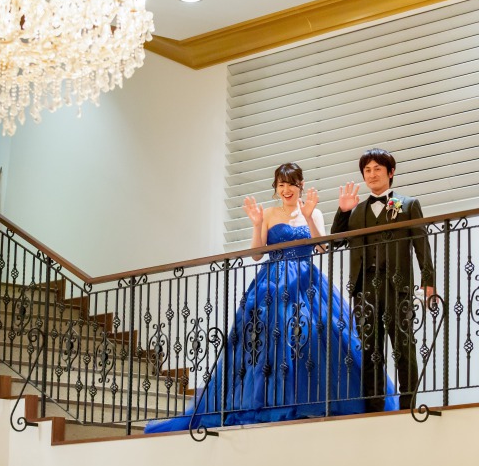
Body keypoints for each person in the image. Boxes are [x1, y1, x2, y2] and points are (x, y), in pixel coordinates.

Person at [144, 162, 396, 434]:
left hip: (306, 281)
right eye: (281, 185)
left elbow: (323, 247)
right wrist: (256, 224)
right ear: (276, 188)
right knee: (269, 341)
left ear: (301, 185)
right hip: (273, 282)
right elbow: (256, 254)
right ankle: (267, 404)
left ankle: (311, 402)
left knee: (313, 335)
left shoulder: (313, 212)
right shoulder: (268, 214)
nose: (286, 190)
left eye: (291, 184)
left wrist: (309, 217)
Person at [331, 148, 435, 411]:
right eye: (367, 170)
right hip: (363, 289)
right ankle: (374, 408)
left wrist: (428, 282)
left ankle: (408, 404)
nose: (372, 174)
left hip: (397, 287)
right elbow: (336, 241)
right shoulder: (356, 212)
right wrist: (343, 211)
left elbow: (422, 246)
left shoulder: (407, 205)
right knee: (369, 350)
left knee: (403, 347)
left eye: (377, 168)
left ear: (391, 172)